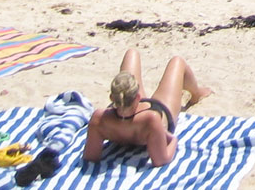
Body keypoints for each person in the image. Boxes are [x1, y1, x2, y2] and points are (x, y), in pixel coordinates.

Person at [84, 48, 212, 168]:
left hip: (122, 113)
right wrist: (173, 140)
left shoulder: (99, 118)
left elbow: (90, 157)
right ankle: (196, 94)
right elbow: (161, 160)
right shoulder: (151, 119)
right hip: (155, 111)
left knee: (132, 53)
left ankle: (196, 93)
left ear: (112, 98)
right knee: (177, 62)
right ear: (138, 97)